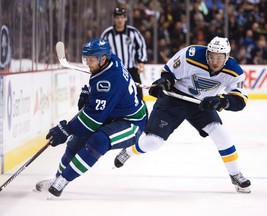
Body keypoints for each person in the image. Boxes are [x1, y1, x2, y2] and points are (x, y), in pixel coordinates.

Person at [114, 36, 252, 193]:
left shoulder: (234, 71)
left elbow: (240, 100)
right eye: (211, 56)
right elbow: (169, 73)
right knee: (152, 142)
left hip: (200, 104)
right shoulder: (190, 55)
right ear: (207, 53)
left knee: (221, 133)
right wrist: (163, 83)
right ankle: (128, 151)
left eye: (219, 58)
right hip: (174, 99)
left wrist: (222, 101)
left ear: (227, 57)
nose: (214, 61)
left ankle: (235, 174)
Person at [35, 38, 147, 197]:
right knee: (77, 140)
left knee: (99, 140)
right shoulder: (111, 60)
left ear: (103, 59)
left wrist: (67, 129)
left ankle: (63, 181)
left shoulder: (108, 81)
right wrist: (91, 97)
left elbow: (93, 119)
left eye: (91, 60)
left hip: (132, 122)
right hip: (112, 115)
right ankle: (56, 178)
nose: (88, 63)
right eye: (86, 59)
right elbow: (95, 109)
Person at [100, 7, 147, 100]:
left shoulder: (133, 32)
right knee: (112, 96)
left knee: (138, 96)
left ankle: (142, 114)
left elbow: (141, 46)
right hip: (114, 71)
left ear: (125, 18)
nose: (120, 20)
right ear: (114, 18)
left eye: (122, 17)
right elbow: (101, 51)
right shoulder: (107, 34)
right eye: (117, 18)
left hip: (132, 70)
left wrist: (141, 61)